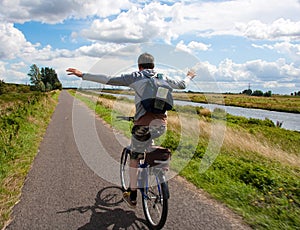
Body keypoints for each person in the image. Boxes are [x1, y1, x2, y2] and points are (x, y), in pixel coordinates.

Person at [66, 53, 196, 208]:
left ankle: (132, 195)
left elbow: (109, 79)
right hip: (161, 125)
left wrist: (83, 75)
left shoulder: (136, 76)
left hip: (142, 125)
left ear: (139, 66)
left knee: (134, 157)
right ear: (153, 66)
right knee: (148, 145)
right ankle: (160, 158)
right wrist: (189, 76)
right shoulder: (163, 77)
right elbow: (182, 85)